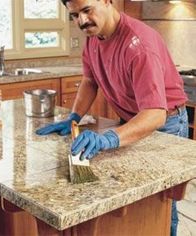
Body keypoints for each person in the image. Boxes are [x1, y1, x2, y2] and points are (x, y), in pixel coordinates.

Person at [36, 0, 189, 235]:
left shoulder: (139, 45)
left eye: (87, 10)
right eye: (75, 15)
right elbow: (90, 80)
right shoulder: (94, 37)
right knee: (131, 199)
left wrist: (109, 138)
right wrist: (74, 117)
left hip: (165, 124)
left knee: (161, 203)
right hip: (131, 121)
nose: (82, 21)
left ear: (108, 1)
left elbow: (155, 114)